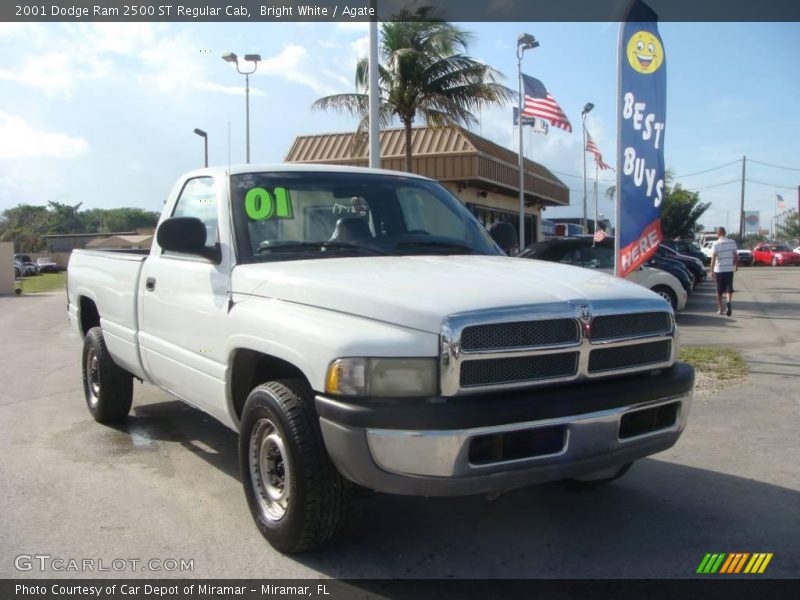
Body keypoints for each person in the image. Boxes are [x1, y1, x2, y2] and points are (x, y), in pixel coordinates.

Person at [709, 226, 738, 316]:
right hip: (729, 269)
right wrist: (736, 265)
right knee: (729, 289)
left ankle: (720, 309)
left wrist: (711, 271)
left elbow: (713, 258)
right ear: (725, 233)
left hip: (719, 270)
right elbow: (735, 255)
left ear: (718, 234)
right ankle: (728, 302)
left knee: (720, 291)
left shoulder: (715, 244)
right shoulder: (732, 242)